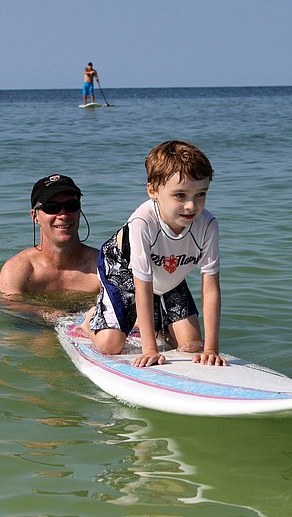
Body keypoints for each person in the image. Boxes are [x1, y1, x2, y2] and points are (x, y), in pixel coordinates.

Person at [80, 140, 224, 368]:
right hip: (123, 266)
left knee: (191, 345)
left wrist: (211, 349)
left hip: (168, 272)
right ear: (153, 191)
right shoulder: (142, 222)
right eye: (180, 195)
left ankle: (153, 321)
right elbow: (143, 287)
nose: (191, 206)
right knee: (110, 345)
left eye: (200, 194)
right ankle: (92, 319)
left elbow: (210, 289)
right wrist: (150, 349)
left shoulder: (208, 225)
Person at [0, 174, 100, 315]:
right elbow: (9, 305)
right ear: (35, 217)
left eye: (71, 206)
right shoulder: (18, 269)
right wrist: (45, 312)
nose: (63, 215)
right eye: (52, 208)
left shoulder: (101, 266)